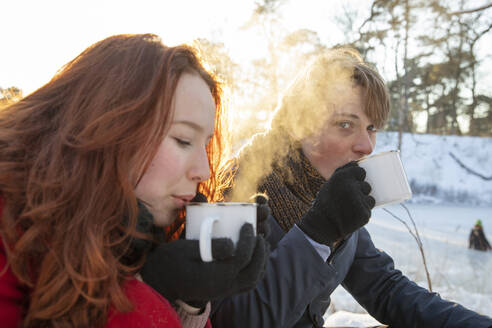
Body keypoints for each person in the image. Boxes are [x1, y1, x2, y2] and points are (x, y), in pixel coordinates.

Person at [210, 47, 492, 327]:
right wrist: (316, 234)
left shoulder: (330, 198)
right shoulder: (234, 190)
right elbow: (229, 321)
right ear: (299, 126)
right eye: (345, 124)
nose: (366, 146)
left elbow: (385, 289)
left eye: (372, 128)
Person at [0, 33, 267, 327]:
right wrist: (148, 292)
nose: (203, 171)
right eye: (182, 140)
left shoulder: (135, 236)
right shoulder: (10, 229)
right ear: (109, 127)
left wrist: (187, 300)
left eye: (205, 145)